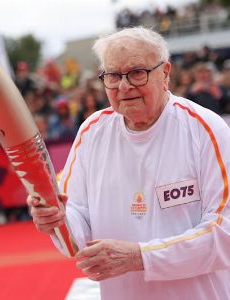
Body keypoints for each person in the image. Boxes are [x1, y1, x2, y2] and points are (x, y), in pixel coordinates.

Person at [28, 27, 230, 300]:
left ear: (165, 73)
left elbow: (224, 234)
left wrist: (140, 257)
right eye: (112, 76)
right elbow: (76, 222)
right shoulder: (92, 131)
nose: (124, 86)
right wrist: (56, 219)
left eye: (137, 72)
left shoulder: (206, 130)